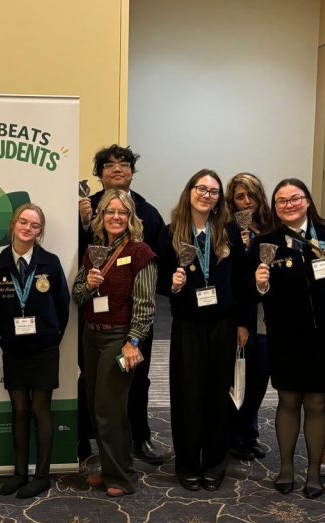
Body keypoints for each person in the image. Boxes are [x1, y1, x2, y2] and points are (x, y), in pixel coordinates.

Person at [252, 179, 325, 498]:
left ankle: (314, 473)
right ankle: (286, 468)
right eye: (281, 201)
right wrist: (259, 284)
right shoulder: (267, 241)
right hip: (284, 334)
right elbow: (251, 289)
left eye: (295, 198)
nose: (288, 205)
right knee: (287, 400)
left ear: (308, 201)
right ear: (274, 207)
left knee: (316, 402)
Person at [159, 170, 250, 492]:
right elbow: (159, 280)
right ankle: (187, 464)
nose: (207, 195)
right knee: (187, 396)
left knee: (217, 395)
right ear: (190, 191)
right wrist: (172, 284)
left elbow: (242, 281)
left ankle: (214, 464)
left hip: (224, 324)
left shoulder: (227, 232)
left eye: (213, 191)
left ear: (218, 199)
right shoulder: (170, 232)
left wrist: (243, 323)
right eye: (202, 188)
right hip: (188, 326)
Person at [78, 145, 166, 465]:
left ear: (132, 172)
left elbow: (157, 260)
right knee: (90, 378)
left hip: (135, 316)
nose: (117, 169)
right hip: (94, 312)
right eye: (109, 165)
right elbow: (76, 255)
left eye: (124, 164)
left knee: (138, 376)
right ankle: (86, 437)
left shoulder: (149, 212)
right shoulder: (86, 208)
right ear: (99, 173)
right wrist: (83, 223)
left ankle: (140, 436)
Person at [72, 190, 158, 497]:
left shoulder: (140, 252)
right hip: (90, 336)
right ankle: (111, 470)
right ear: (101, 216)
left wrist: (133, 341)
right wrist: (88, 284)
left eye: (122, 212)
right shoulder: (94, 251)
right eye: (110, 212)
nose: (116, 217)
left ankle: (124, 477)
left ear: (131, 217)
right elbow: (78, 296)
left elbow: (145, 305)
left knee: (112, 410)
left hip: (118, 338)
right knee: (97, 408)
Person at [0, 204, 70, 499]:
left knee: (39, 409)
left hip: (45, 347)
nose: (28, 228)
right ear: (13, 224)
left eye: (35, 225)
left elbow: (62, 305)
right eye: (23, 222)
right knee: (19, 410)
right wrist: (4, 338)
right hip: (14, 349)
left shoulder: (50, 262)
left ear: (40, 232)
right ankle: (20, 472)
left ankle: (42, 475)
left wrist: (53, 337)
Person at [225, 173, 272, 461]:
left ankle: (249, 434)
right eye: (240, 196)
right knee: (238, 377)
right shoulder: (228, 229)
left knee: (259, 379)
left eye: (251, 195)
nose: (246, 201)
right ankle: (235, 436)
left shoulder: (271, 228)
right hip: (240, 315)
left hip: (267, 316)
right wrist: (240, 321)